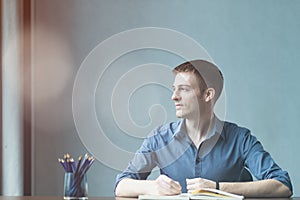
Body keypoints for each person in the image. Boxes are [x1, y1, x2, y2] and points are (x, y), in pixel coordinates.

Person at [114, 60, 293, 198]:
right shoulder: (159, 138)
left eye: (183, 90)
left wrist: (217, 188)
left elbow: (282, 185)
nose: (174, 97)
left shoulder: (240, 138)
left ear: (208, 94)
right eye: (174, 89)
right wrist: (154, 186)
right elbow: (121, 185)